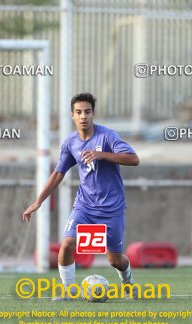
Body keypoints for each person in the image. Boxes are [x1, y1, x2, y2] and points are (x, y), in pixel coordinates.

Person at [23, 92, 139, 301]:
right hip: (84, 206)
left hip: (111, 208)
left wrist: (102, 154)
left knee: (114, 260)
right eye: (79, 112)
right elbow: (59, 173)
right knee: (67, 244)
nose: (83, 116)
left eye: (87, 111)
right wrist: (38, 201)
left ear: (93, 113)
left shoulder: (107, 136)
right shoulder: (70, 143)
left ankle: (128, 281)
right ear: (72, 115)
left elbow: (134, 159)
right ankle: (69, 292)